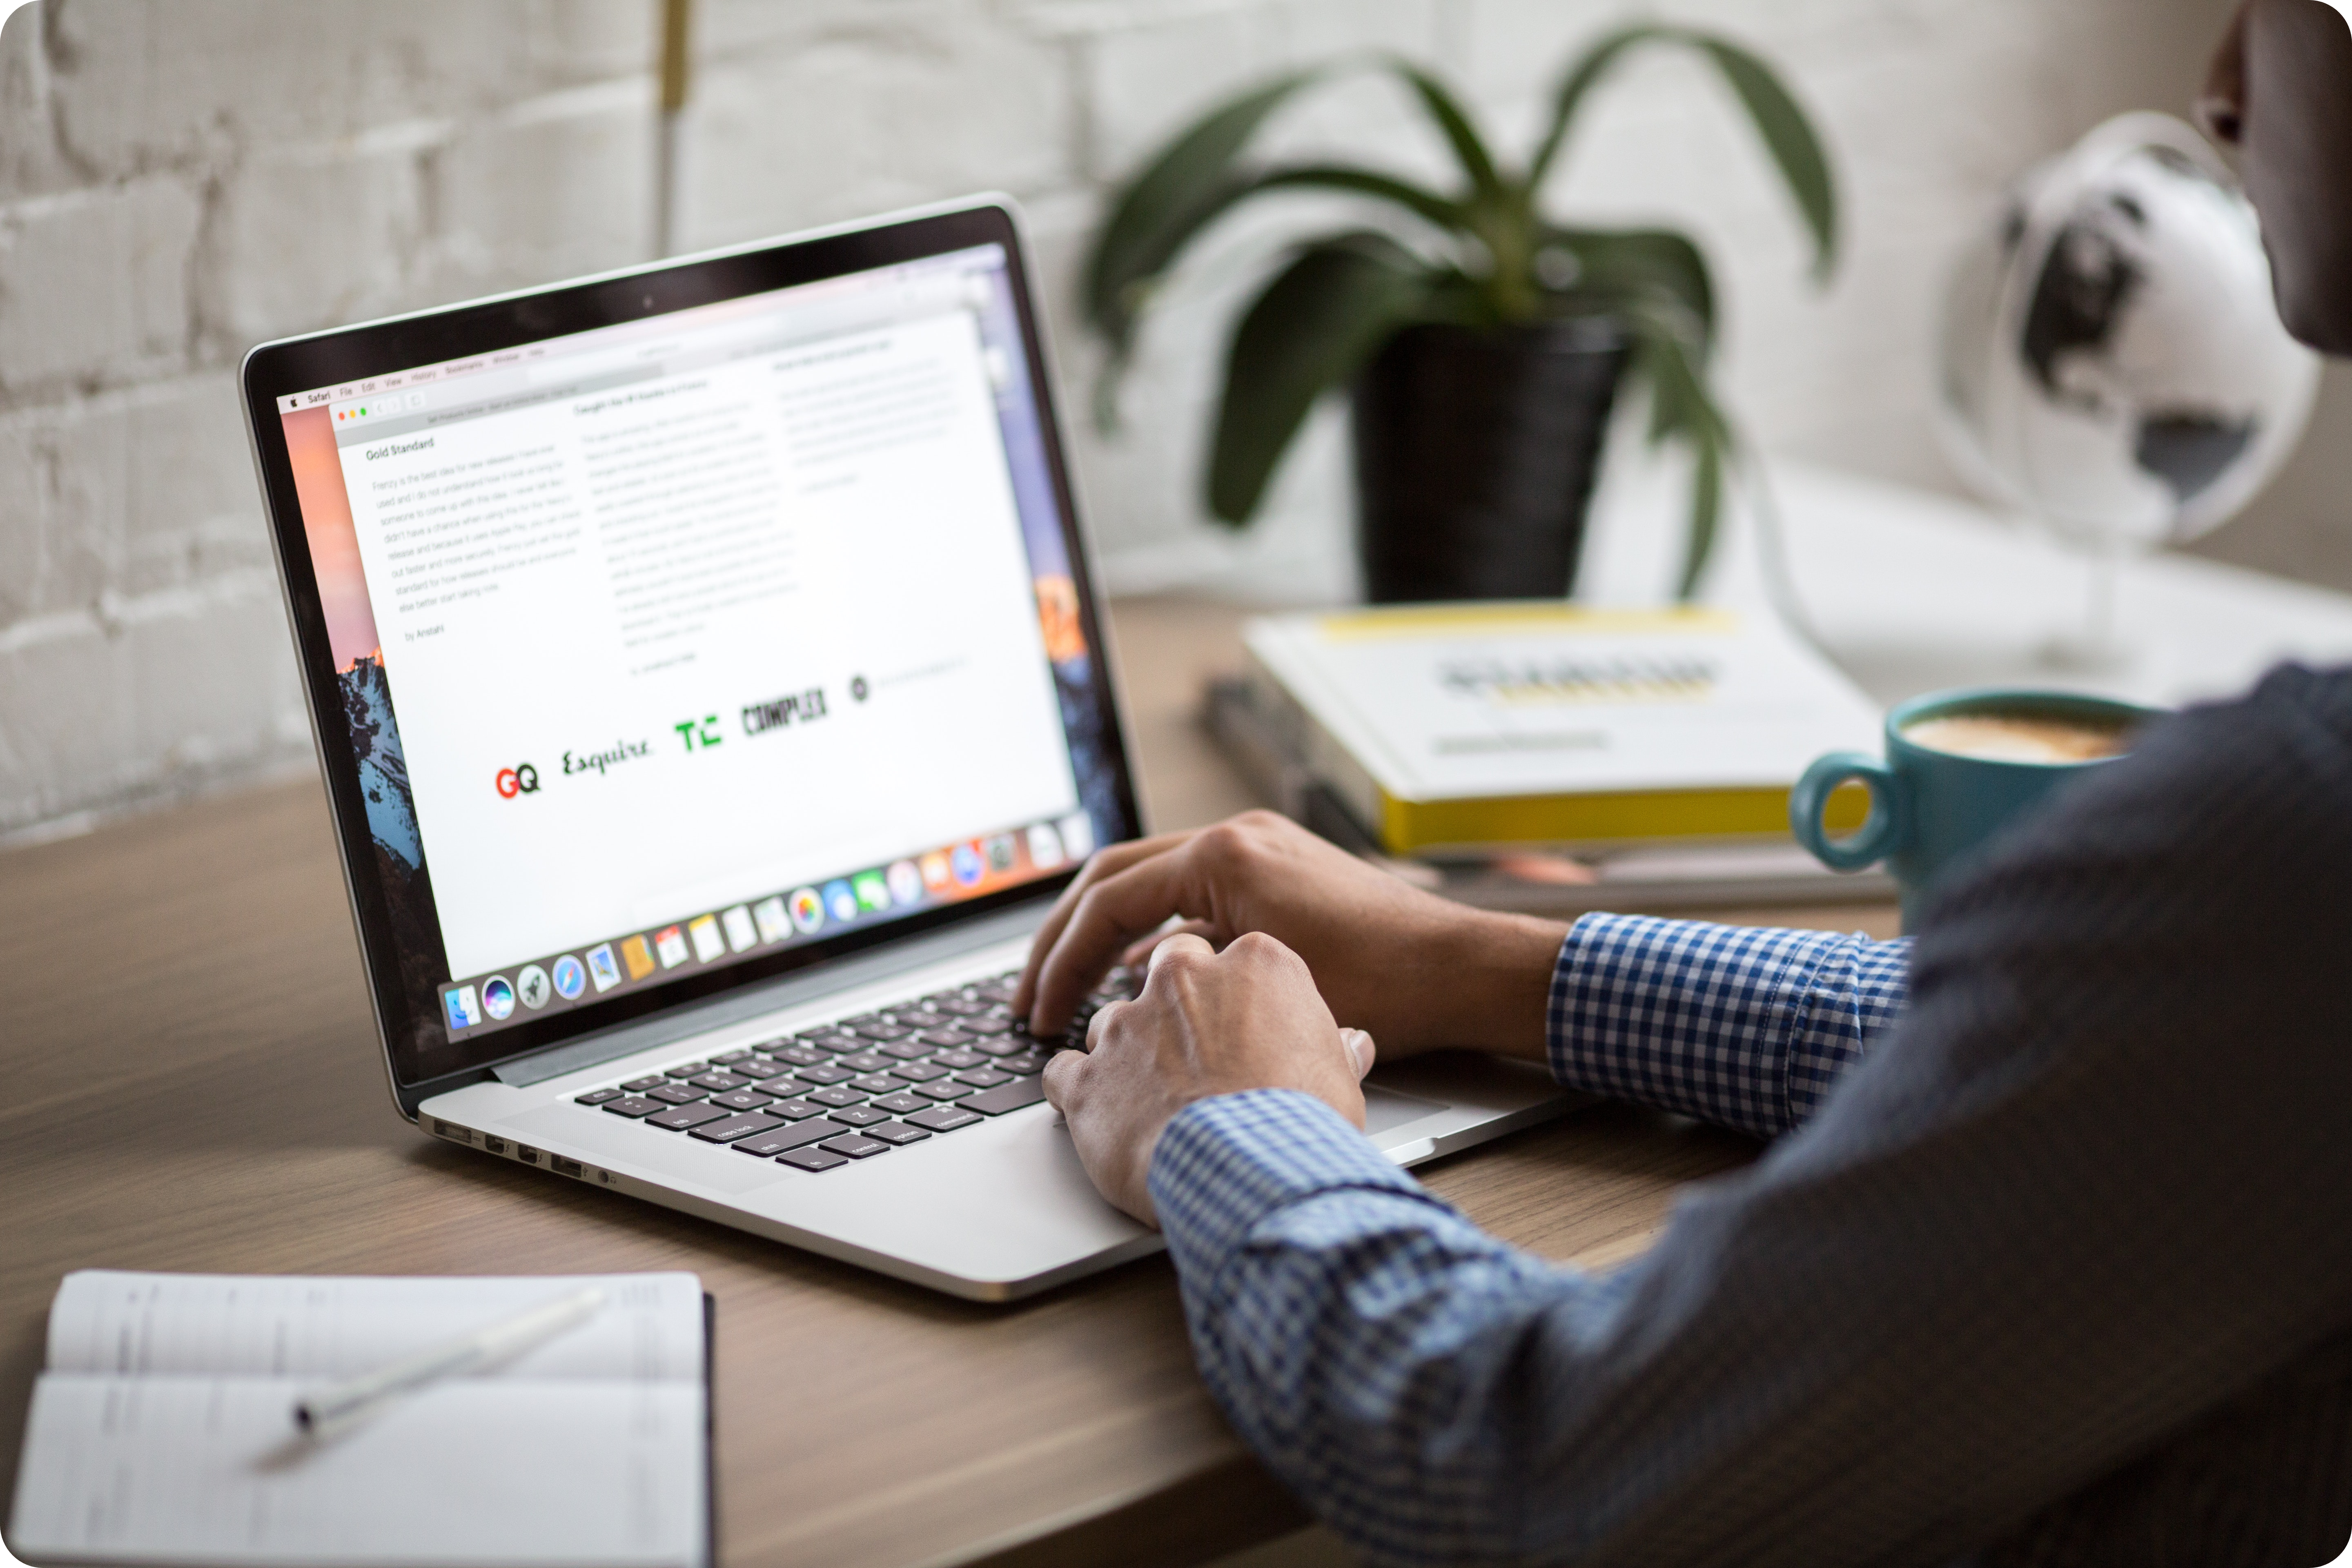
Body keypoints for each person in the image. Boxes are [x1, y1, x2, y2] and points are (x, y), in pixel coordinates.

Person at [1016, 3, 2352, 1562]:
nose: (2220, 89)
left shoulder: (2288, 836)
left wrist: (1232, 1124)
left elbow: (1543, 1468)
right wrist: (1488, 961)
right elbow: (2121, 1054)